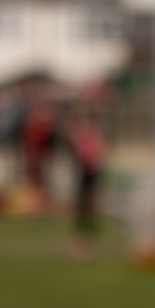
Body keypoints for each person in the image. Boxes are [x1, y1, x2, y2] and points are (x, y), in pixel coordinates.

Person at [68, 110, 104, 260]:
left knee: (88, 201)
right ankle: (84, 229)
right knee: (83, 201)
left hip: (89, 172)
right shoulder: (84, 136)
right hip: (84, 171)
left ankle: (87, 229)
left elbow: (96, 154)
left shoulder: (91, 136)